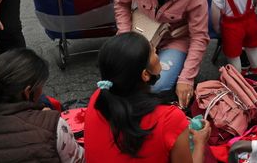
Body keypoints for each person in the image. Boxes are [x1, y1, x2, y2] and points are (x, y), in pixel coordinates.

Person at [84, 33, 211, 162]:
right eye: (152, 51)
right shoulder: (169, 118)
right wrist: (200, 142)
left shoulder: (99, 96)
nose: (156, 51)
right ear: (145, 74)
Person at [114, 0, 209, 107]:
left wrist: (186, 78)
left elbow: (199, 36)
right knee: (118, 79)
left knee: (156, 86)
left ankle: (175, 73)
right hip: (140, 34)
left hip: (175, 40)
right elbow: (122, 4)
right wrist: (126, 38)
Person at [0, 48, 84, 161]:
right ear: (27, 92)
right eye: (41, 87)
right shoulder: (53, 126)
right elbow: (80, 160)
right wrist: (48, 121)